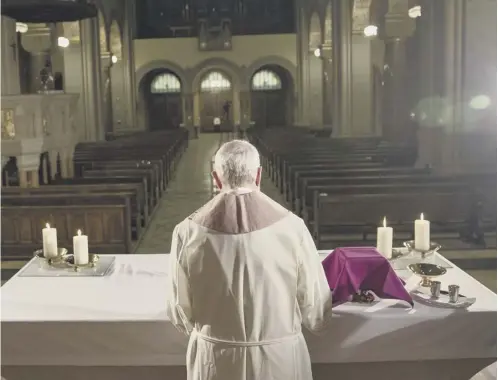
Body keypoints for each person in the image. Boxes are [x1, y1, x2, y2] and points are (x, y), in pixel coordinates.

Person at [166, 140, 332, 380]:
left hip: (216, 360)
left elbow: (180, 312)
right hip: (278, 359)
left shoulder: (187, 232)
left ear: (216, 178)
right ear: (259, 175)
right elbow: (317, 310)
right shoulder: (292, 227)